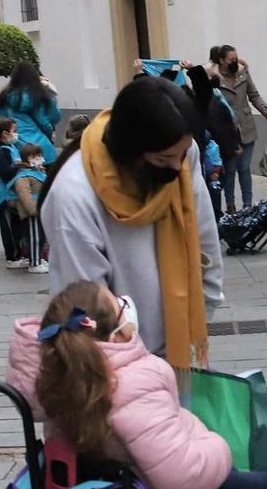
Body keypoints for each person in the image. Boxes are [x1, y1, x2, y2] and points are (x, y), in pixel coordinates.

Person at [9, 282, 267, 489]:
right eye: (118, 304)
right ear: (115, 337)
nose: (125, 304)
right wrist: (218, 447)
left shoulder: (58, 379)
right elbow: (182, 476)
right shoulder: (133, 384)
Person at [42, 76, 221, 373]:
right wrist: (139, 374)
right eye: (165, 159)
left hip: (177, 351)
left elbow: (204, 237)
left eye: (182, 156)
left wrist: (205, 309)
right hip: (112, 364)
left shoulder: (181, 153)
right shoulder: (75, 195)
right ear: (131, 150)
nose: (177, 169)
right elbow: (86, 305)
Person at [213, 44, 267, 211]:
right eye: (231, 59)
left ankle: (248, 205)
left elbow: (254, 95)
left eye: (236, 57)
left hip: (247, 128)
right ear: (221, 60)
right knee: (230, 170)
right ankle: (230, 205)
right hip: (227, 132)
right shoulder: (214, 77)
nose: (236, 61)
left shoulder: (242, 73)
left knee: (244, 168)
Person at [187, 65, 241, 221]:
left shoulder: (209, 100)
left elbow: (227, 123)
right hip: (207, 159)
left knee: (213, 194)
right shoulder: (200, 105)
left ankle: (219, 217)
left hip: (212, 156)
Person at [0, 62, 63, 162]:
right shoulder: (41, 95)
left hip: (15, 151)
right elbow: (54, 117)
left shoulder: (5, 97)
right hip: (42, 150)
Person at [0, 117, 27, 267]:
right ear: (5, 134)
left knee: (16, 226)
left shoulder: (11, 149)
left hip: (12, 195)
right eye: (14, 131)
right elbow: (6, 173)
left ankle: (19, 253)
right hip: (4, 196)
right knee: (9, 228)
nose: (17, 134)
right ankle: (12, 257)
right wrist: (19, 166)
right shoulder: (0, 153)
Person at [9, 142, 50, 275]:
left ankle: (38, 258)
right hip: (32, 212)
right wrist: (33, 210)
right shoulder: (23, 176)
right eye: (35, 155)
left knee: (41, 237)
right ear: (27, 158)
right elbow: (25, 195)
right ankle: (34, 263)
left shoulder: (39, 172)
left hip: (41, 210)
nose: (39, 158)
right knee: (34, 237)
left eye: (39, 155)